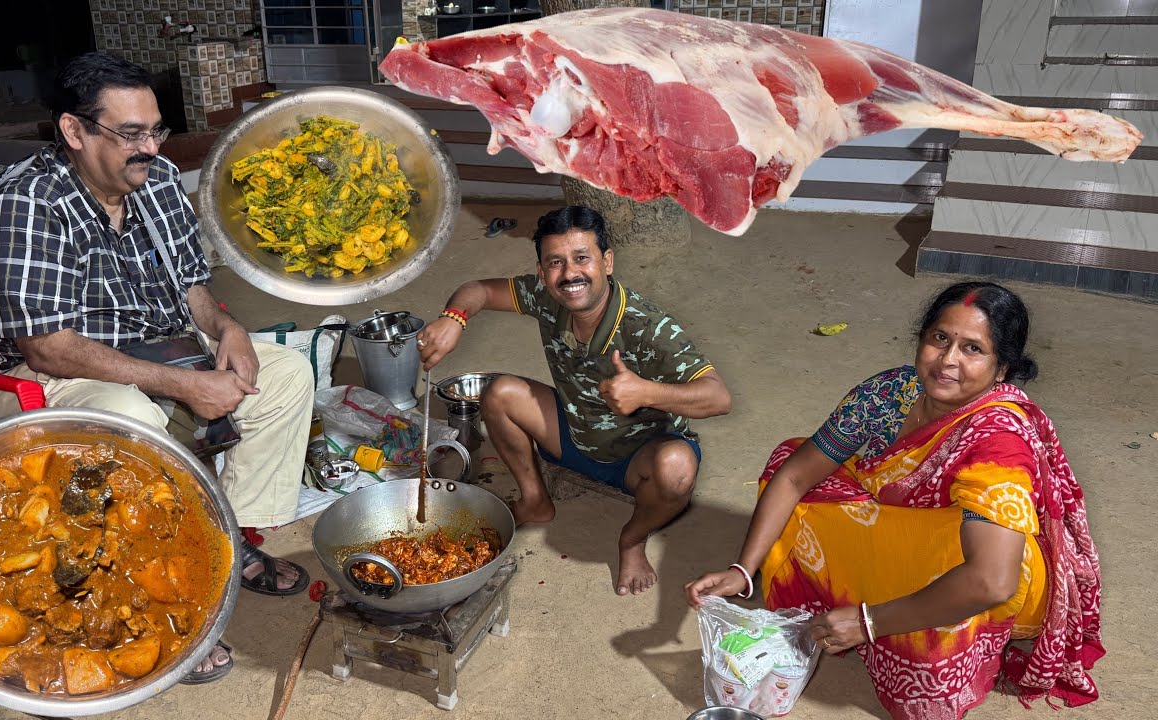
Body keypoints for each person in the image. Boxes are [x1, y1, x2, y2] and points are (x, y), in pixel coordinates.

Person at [0, 52, 314, 684]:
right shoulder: (27, 202)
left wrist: (227, 329)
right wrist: (181, 382)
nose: (148, 147)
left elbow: (192, 286)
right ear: (75, 132)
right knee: (132, 420)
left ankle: (222, 545)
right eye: (130, 134)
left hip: (153, 346)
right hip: (35, 373)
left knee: (284, 374)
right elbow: (48, 348)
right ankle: (160, 598)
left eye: (155, 129)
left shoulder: (158, 179)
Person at [684, 282, 1104, 720]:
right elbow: (794, 476)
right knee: (790, 458)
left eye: (973, 349)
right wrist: (742, 569)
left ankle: (889, 619)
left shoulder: (998, 441)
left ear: (1001, 369)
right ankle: (858, 599)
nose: (948, 360)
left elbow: (992, 580)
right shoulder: (889, 394)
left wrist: (869, 623)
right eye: (939, 338)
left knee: (935, 620)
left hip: (972, 572)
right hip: (905, 542)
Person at [418, 206, 731, 596]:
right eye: (556, 263)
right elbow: (478, 290)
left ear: (607, 262)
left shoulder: (649, 327)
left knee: (678, 468)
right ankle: (534, 501)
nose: (570, 274)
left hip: (639, 459)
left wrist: (646, 392)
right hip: (571, 435)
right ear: (542, 270)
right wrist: (453, 318)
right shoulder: (547, 296)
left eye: (582, 258)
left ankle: (632, 539)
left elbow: (718, 397)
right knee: (498, 393)